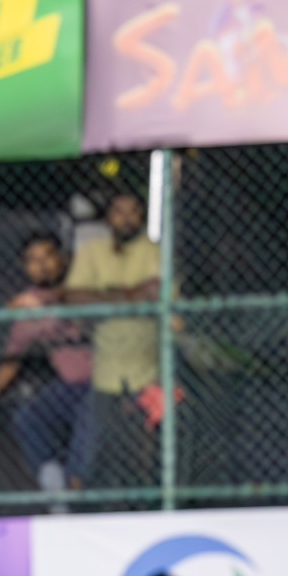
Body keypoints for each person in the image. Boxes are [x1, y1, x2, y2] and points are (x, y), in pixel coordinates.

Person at [0, 233, 92, 495]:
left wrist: (46, 301)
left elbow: (77, 295)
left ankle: (76, 488)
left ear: (62, 259)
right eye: (33, 261)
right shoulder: (27, 307)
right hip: (69, 386)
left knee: (88, 421)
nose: (41, 266)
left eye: (47, 257)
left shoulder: (81, 280)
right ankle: (52, 479)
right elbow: (11, 360)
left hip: (103, 382)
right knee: (27, 418)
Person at [63, 192, 163, 487]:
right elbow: (74, 297)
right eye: (119, 211)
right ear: (108, 217)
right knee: (89, 451)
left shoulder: (155, 251)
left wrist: (104, 298)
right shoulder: (92, 250)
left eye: (133, 212)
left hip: (149, 372)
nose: (126, 218)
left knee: (148, 456)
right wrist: (130, 295)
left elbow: (158, 292)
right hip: (104, 374)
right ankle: (72, 510)